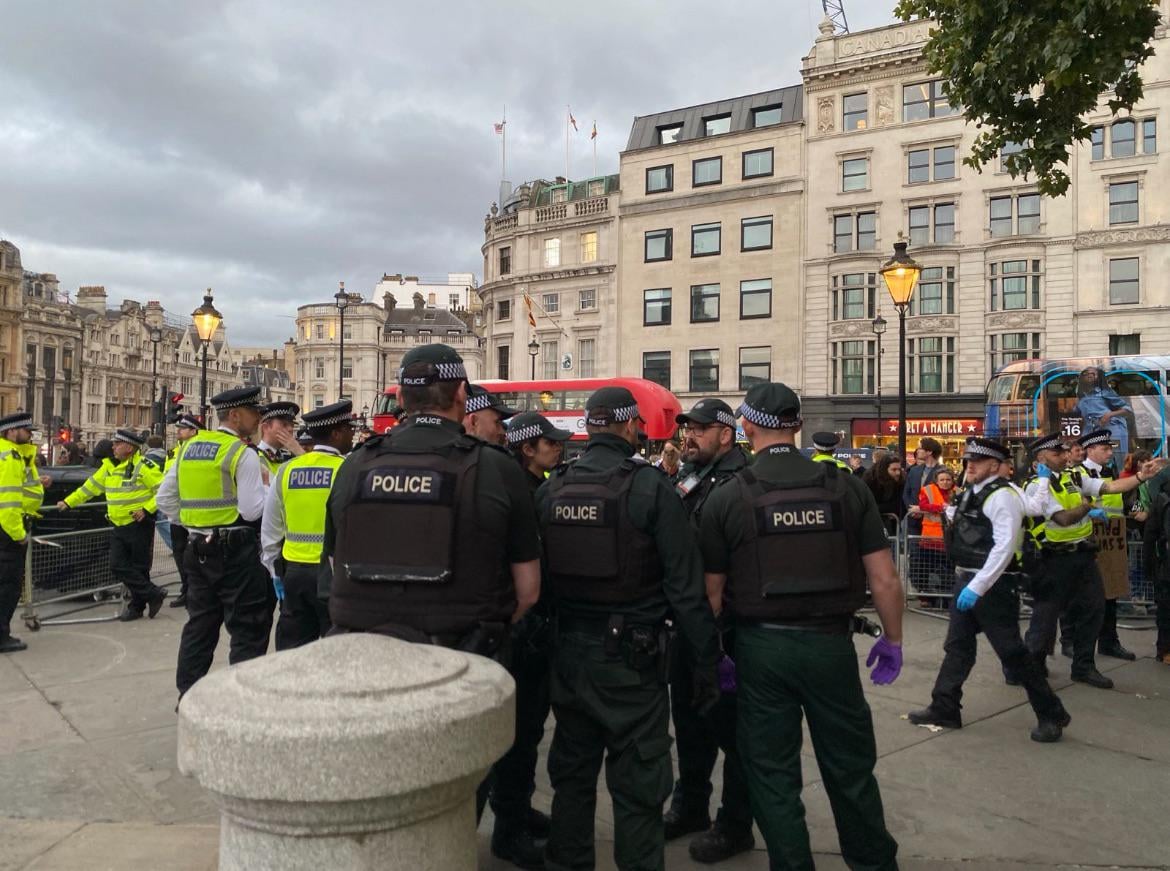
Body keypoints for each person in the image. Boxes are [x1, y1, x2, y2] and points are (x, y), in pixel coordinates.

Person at [321, 344, 542, 841]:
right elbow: (528, 590)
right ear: (461, 394)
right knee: (457, 803)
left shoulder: (355, 466)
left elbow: (336, 564)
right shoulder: (496, 468)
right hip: (464, 658)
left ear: (401, 396)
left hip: (363, 660)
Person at [700, 382, 902, 871]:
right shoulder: (845, 487)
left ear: (746, 427)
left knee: (771, 774)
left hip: (761, 649)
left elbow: (710, 594)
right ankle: (874, 863)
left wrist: (716, 654)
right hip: (830, 646)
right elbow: (885, 578)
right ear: (796, 426)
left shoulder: (728, 498)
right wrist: (893, 641)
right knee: (851, 767)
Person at [537, 386, 720, 871]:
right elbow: (686, 589)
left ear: (591, 426)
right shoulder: (649, 487)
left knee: (572, 777)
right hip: (632, 664)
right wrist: (704, 662)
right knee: (639, 786)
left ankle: (568, 861)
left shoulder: (554, 487)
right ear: (627, 426)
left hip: (569, 655)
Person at [908, 438, 1071, 742]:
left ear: (995, 466)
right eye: (968, 461)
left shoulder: (1002, 496)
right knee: (957, 646)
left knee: (1012, 653)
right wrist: (1044, 484)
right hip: (968, 579)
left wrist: (978, 587)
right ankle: (945, 706)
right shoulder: (976, 491)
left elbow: (1005, 547)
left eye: (977, 462)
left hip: (991, 585)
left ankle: (1052, 713)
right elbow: (1033, 506)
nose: (969, 465)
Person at [477, 410, 573, 868]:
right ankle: (507, 833)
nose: (559, 448)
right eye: (551, 443)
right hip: (521, 628)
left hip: (527, 625)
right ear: (527, 448)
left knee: (525, 734)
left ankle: (514, 811)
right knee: (514, 736)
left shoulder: (536, 485)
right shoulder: (520, 491)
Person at [665, 398, 754, 864]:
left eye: (699, 429)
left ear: (726, 433)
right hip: (688, 620)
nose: (690, 436)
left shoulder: (742, 479)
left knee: (732, 731)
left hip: (727, 628)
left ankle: (735, 823)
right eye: (687, 429)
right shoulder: (688, 474)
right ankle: (691, 805)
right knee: (690, 722)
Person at [157, 387, 273, 703]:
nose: (258, 418)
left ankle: (188, 696)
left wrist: (194, 524)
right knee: (248, 628)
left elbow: (164, 499)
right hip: (235, 550)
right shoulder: (241, 453)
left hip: (197, 549)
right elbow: (251, 510)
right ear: (235, 415)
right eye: (254, 412)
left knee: (200, 625)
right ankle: (243, 700)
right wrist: (270, 488)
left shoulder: (188, 448)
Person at [1021, 432, 1161, 690]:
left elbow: (1110, 487)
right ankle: (1032, 664)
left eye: (1064, 452)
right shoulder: (1036, 485)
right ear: (1040, 458)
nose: (1065, 456)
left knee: (1094, 610)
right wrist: (1088, 506)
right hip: (1054, 558)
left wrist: (1142, 476)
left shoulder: (1073, 476)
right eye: (1057, 454)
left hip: (1083, 555)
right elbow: (1062, 519)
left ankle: (1083, 667)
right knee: (1046, 618)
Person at [261, 400, 354, 651]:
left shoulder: (287, 470)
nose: (353, 434)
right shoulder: (347, 470)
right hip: (333, 575)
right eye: (349, 429)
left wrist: (273, 571)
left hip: (294, 573)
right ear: (336, 433)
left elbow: (270, 527)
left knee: (292, 651)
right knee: (337, 650)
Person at [57, 429, 166, 621]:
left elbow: (164, 490)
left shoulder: (144, 466)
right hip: (118, 523)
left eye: (117, 444)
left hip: (138, 523)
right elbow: (89, 488)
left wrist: (147, 509)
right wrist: (68, 502)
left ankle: (137, 607)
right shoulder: (107, 467)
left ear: (130, 448)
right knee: (117, 565)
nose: (113, 447)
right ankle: (153, 593)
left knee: (140, 567)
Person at [1059, 429, 1135, 662]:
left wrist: (1135, 513)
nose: (1110, 453)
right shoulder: (1076, 474)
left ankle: (1109, 641)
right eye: (1105, 449)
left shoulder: (1110, 472)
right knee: (1076, 596)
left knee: (1110, 593)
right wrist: (1091, 511)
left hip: (1111, 541)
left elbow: (1125, 501)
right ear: (1090, 450)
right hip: (1086, 541)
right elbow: (1070, 503)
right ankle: (1069, 640)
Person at [0, 413, 43, 653]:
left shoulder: (16, 455)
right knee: (8, 586)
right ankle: (1, 635)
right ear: (11, 431)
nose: (29, 435)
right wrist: (18, 534)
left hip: (9, 528)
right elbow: (7, 502)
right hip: (8, 532)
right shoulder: (9, 457)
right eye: (25, 430)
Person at [165, 413, 202, 608]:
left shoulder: (199, 451)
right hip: (176, 513)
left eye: (183, 428)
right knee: (180, 554)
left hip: (195, 512)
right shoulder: (172, 453)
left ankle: (195, 591)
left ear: (194, 431)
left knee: (194, 555)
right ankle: (186, 589)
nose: (178, 431)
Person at [916, 466, 957, 595]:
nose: (945, 482)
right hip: (930, 539)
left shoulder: (958, 492)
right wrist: (942, 507)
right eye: (942, 480)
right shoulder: (928, 490)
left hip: (950, 540)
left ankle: (946, 596)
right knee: (926, 570)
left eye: (948, 479)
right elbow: (923, 505)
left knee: (949, 572)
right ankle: (926, 596)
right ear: (937, 481)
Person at [1074, 367, 1132, 455]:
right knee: (1089, 456)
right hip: (1090, 429)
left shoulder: (1105, 392)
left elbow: (1127, 409)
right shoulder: (1081, 397)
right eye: (1086, 374)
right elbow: (1075, 415)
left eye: (1093, 374)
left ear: (1099, 377)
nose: (1090, 376)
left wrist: (1109, 415)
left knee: (1116, 455)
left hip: (1111, 428)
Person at [903, 437, 943, 531]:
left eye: (920, 448)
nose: (917, 451)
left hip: (932, 522)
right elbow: (906, 493)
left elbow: (944, 498)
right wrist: (911, 509)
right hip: (913, 520)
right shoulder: (914, 470)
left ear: (929, 452)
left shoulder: (943, 472)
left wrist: (922, 509)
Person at [254, 401, 303, 477]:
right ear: (266, 427)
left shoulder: (288, 456)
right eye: (284, 424)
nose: (290, 429)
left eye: (292, 425)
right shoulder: (255, 457)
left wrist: (300, 452)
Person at [864, 454, 905, 531]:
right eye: (894, 469)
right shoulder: (870, 479)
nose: (898, 473)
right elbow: (868, 504)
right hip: (873, 522)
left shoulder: (900, 480)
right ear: (885, 469)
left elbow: (899, 503)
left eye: (899, 469)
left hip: (893, 522)